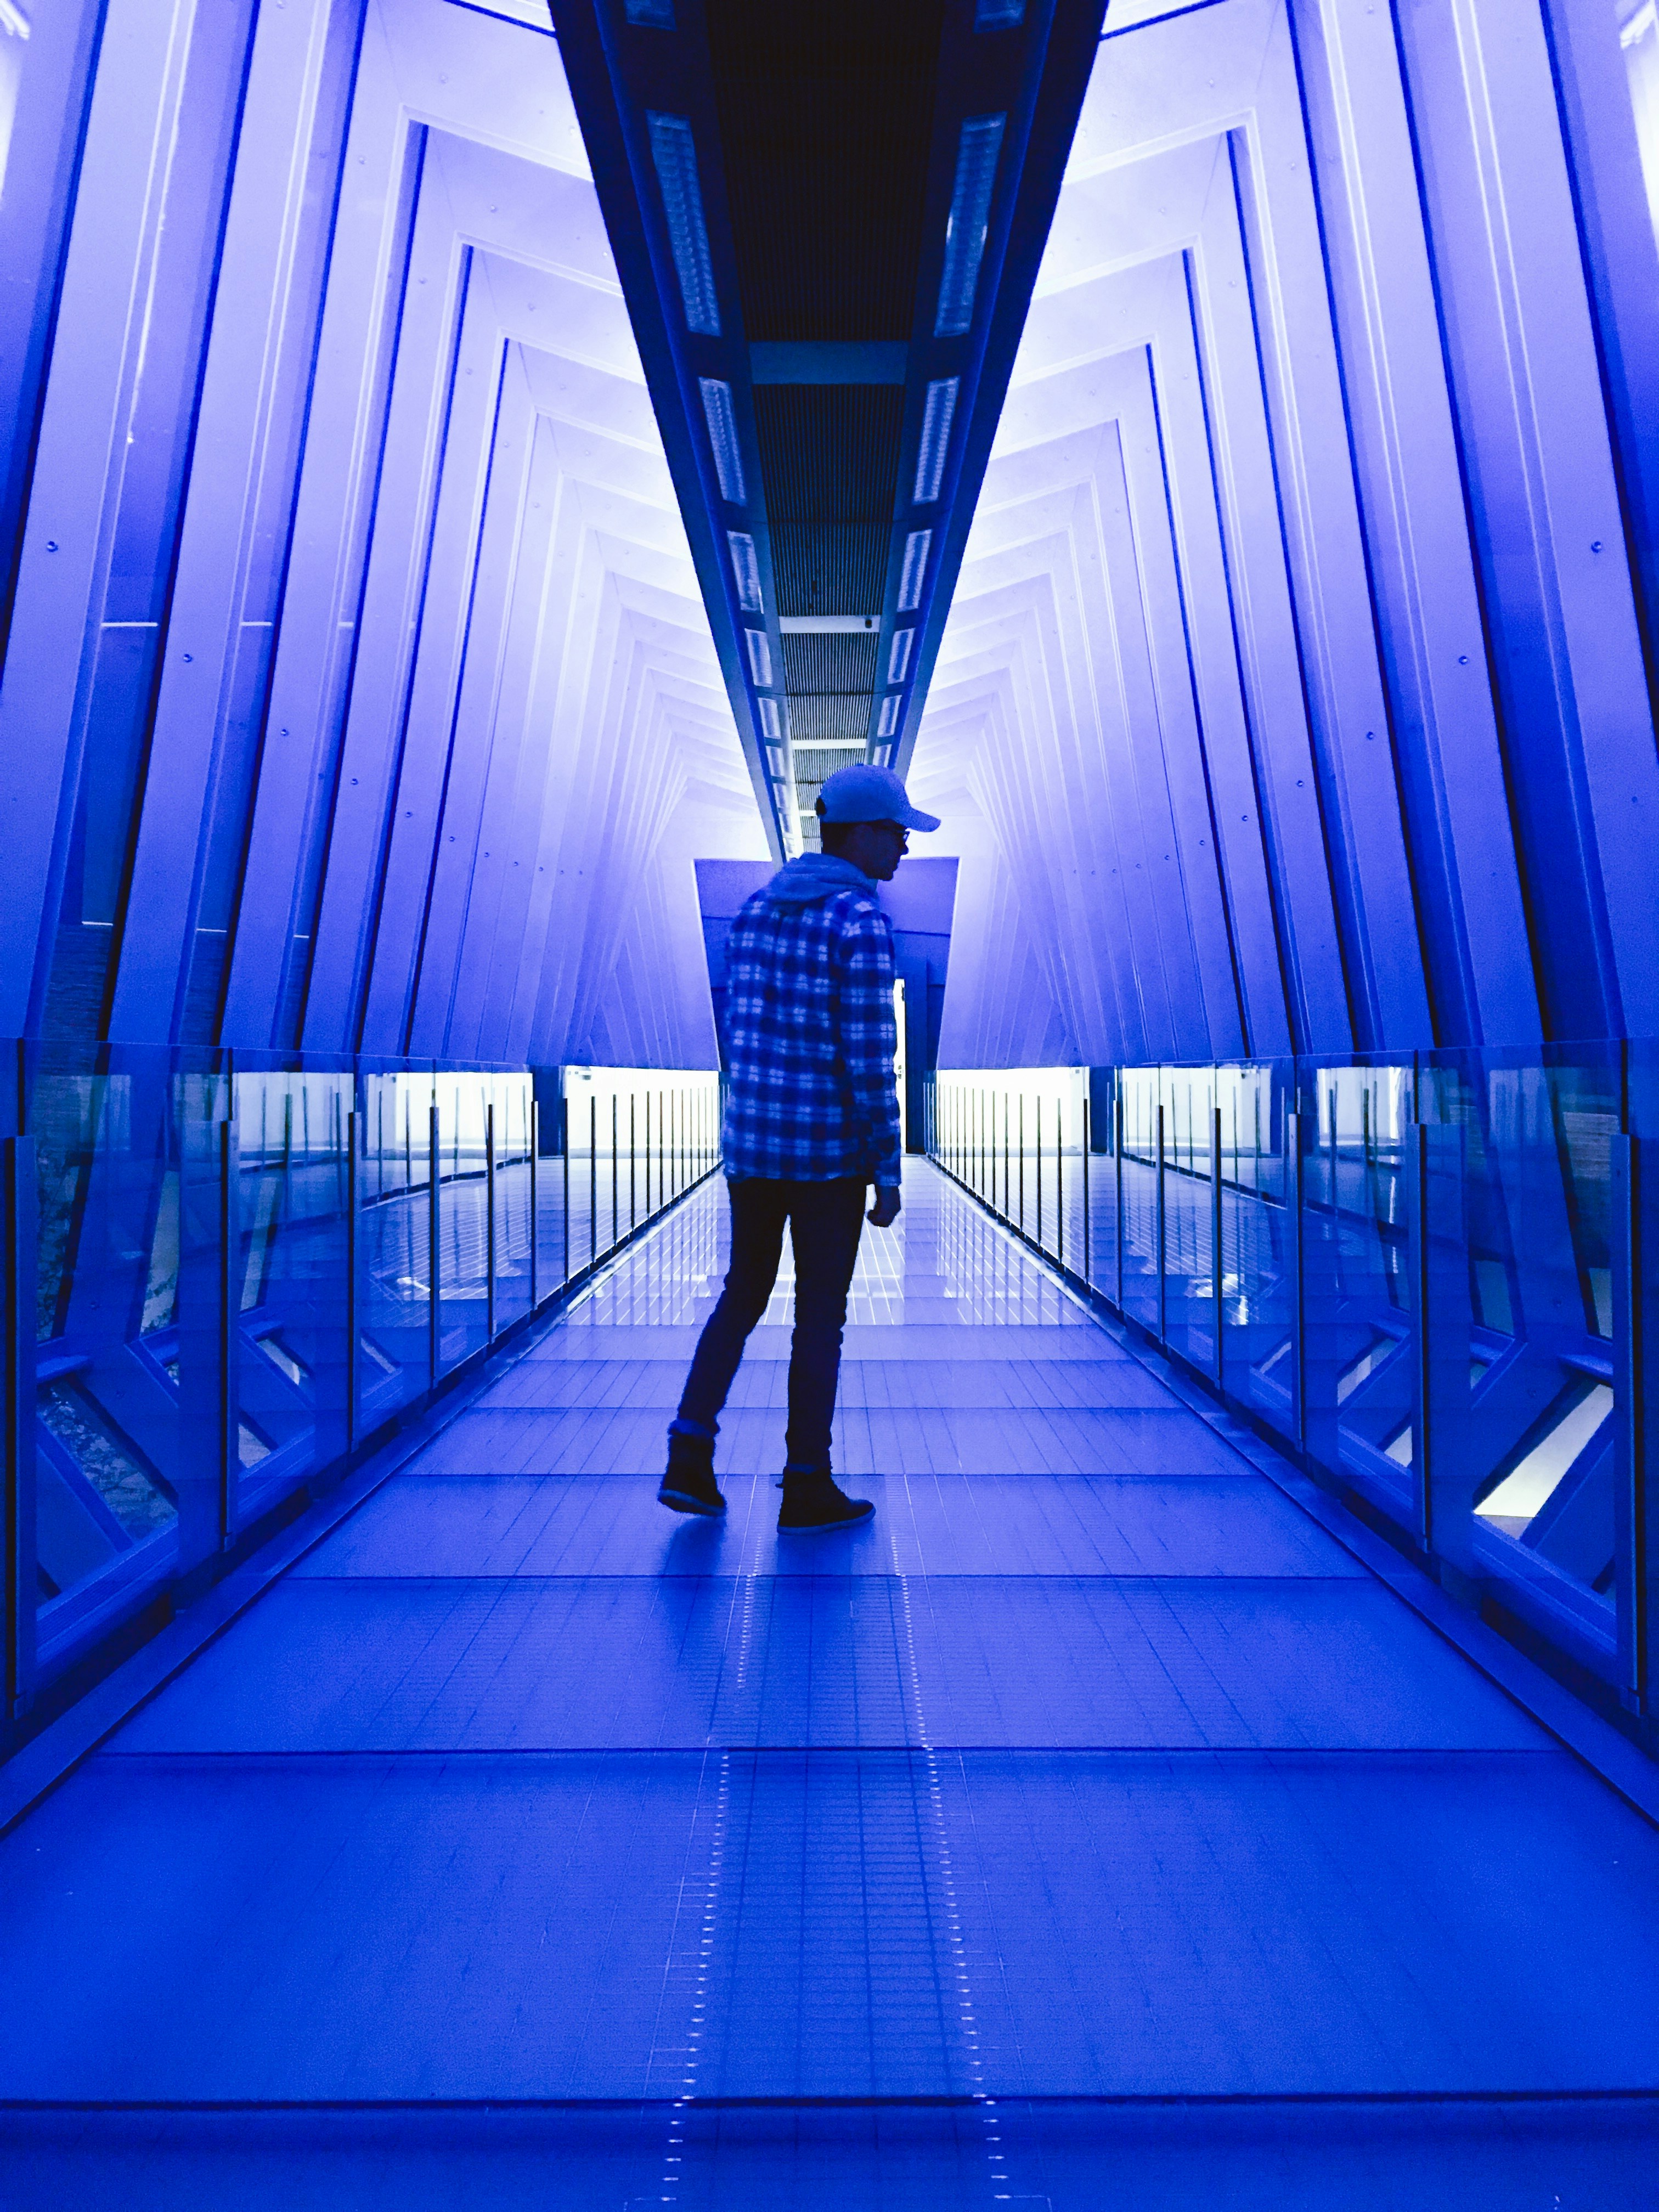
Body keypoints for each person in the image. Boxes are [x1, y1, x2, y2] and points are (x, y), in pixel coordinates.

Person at [659, 763, 939, 1531]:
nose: (906, 848)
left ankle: (690, 1452)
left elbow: (744, 1036)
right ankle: (806, 1479)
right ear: (862, 833)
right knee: (820, 1314)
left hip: (752, 1149)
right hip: (824, 1161)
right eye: (898, 831)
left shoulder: (754, 914)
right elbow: (868, 1055)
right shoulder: (857, 922)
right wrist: (888, 1163)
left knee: (741, 1297)